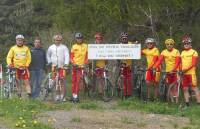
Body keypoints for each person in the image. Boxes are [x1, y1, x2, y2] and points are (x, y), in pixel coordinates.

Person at [46, 34, 69, 101]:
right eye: (56, 40)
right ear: (54, 40)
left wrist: (66, 64)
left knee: (62, 82)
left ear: (61, 40)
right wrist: (49, 62)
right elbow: (48, 55)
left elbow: (67, 55)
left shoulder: (64, 47)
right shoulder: (51, 47)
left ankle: (63, 96)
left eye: (59, 40)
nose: (58, 41)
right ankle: (57, 95)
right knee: (55, 82)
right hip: (54, 67)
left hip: (62, 67)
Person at [180, 35, 200, 107]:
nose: (186, 45)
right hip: (184, 74)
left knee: (194, 88)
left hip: (191, 73)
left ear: (190, 44)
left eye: (187, 43)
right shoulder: (182, 53)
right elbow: (181, 63)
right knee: (185, 89)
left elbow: (193, 64)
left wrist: (185, 70)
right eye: (185, 44)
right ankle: (187, 104)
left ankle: (198, 104)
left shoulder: (194, 52)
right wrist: (181, 69)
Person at [70, 32, 88, 103]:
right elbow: (71, 57)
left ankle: (76, 95)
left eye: (80, 38)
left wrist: (85, 63)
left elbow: (87, 56)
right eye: (78, 38)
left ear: (82, 39)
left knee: (78, 81)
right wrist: (73, 63)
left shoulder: (86, 46)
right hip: (75, 66)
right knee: (74, 81)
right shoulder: (73, 46)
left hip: (82, 66)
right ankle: (73, 95)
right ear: (76, 39)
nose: (79, 39)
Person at [93, 32, 108, 99]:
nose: (99, 40)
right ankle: (99, 93)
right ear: (95, 39)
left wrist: (106, 64)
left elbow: (107, 57)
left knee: (103, 80)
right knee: (98, 80)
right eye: (97, 39)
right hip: (96, 66)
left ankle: (103, 93)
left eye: (100, 39)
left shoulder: (104, 46)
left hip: (103, 65)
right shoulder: (92, 47)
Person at [119, 32, 132, 98]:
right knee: (122, 80)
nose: (124, 40)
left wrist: (136, 44)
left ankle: (128, 94)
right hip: (122, 65)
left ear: (127, 39)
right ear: (121, 39)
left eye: (125, 38)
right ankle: (122, 93)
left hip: (129, 65)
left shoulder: (130, 44)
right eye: (123, 38)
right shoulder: (119, 45)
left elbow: (135, 50)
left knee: (128, 81)